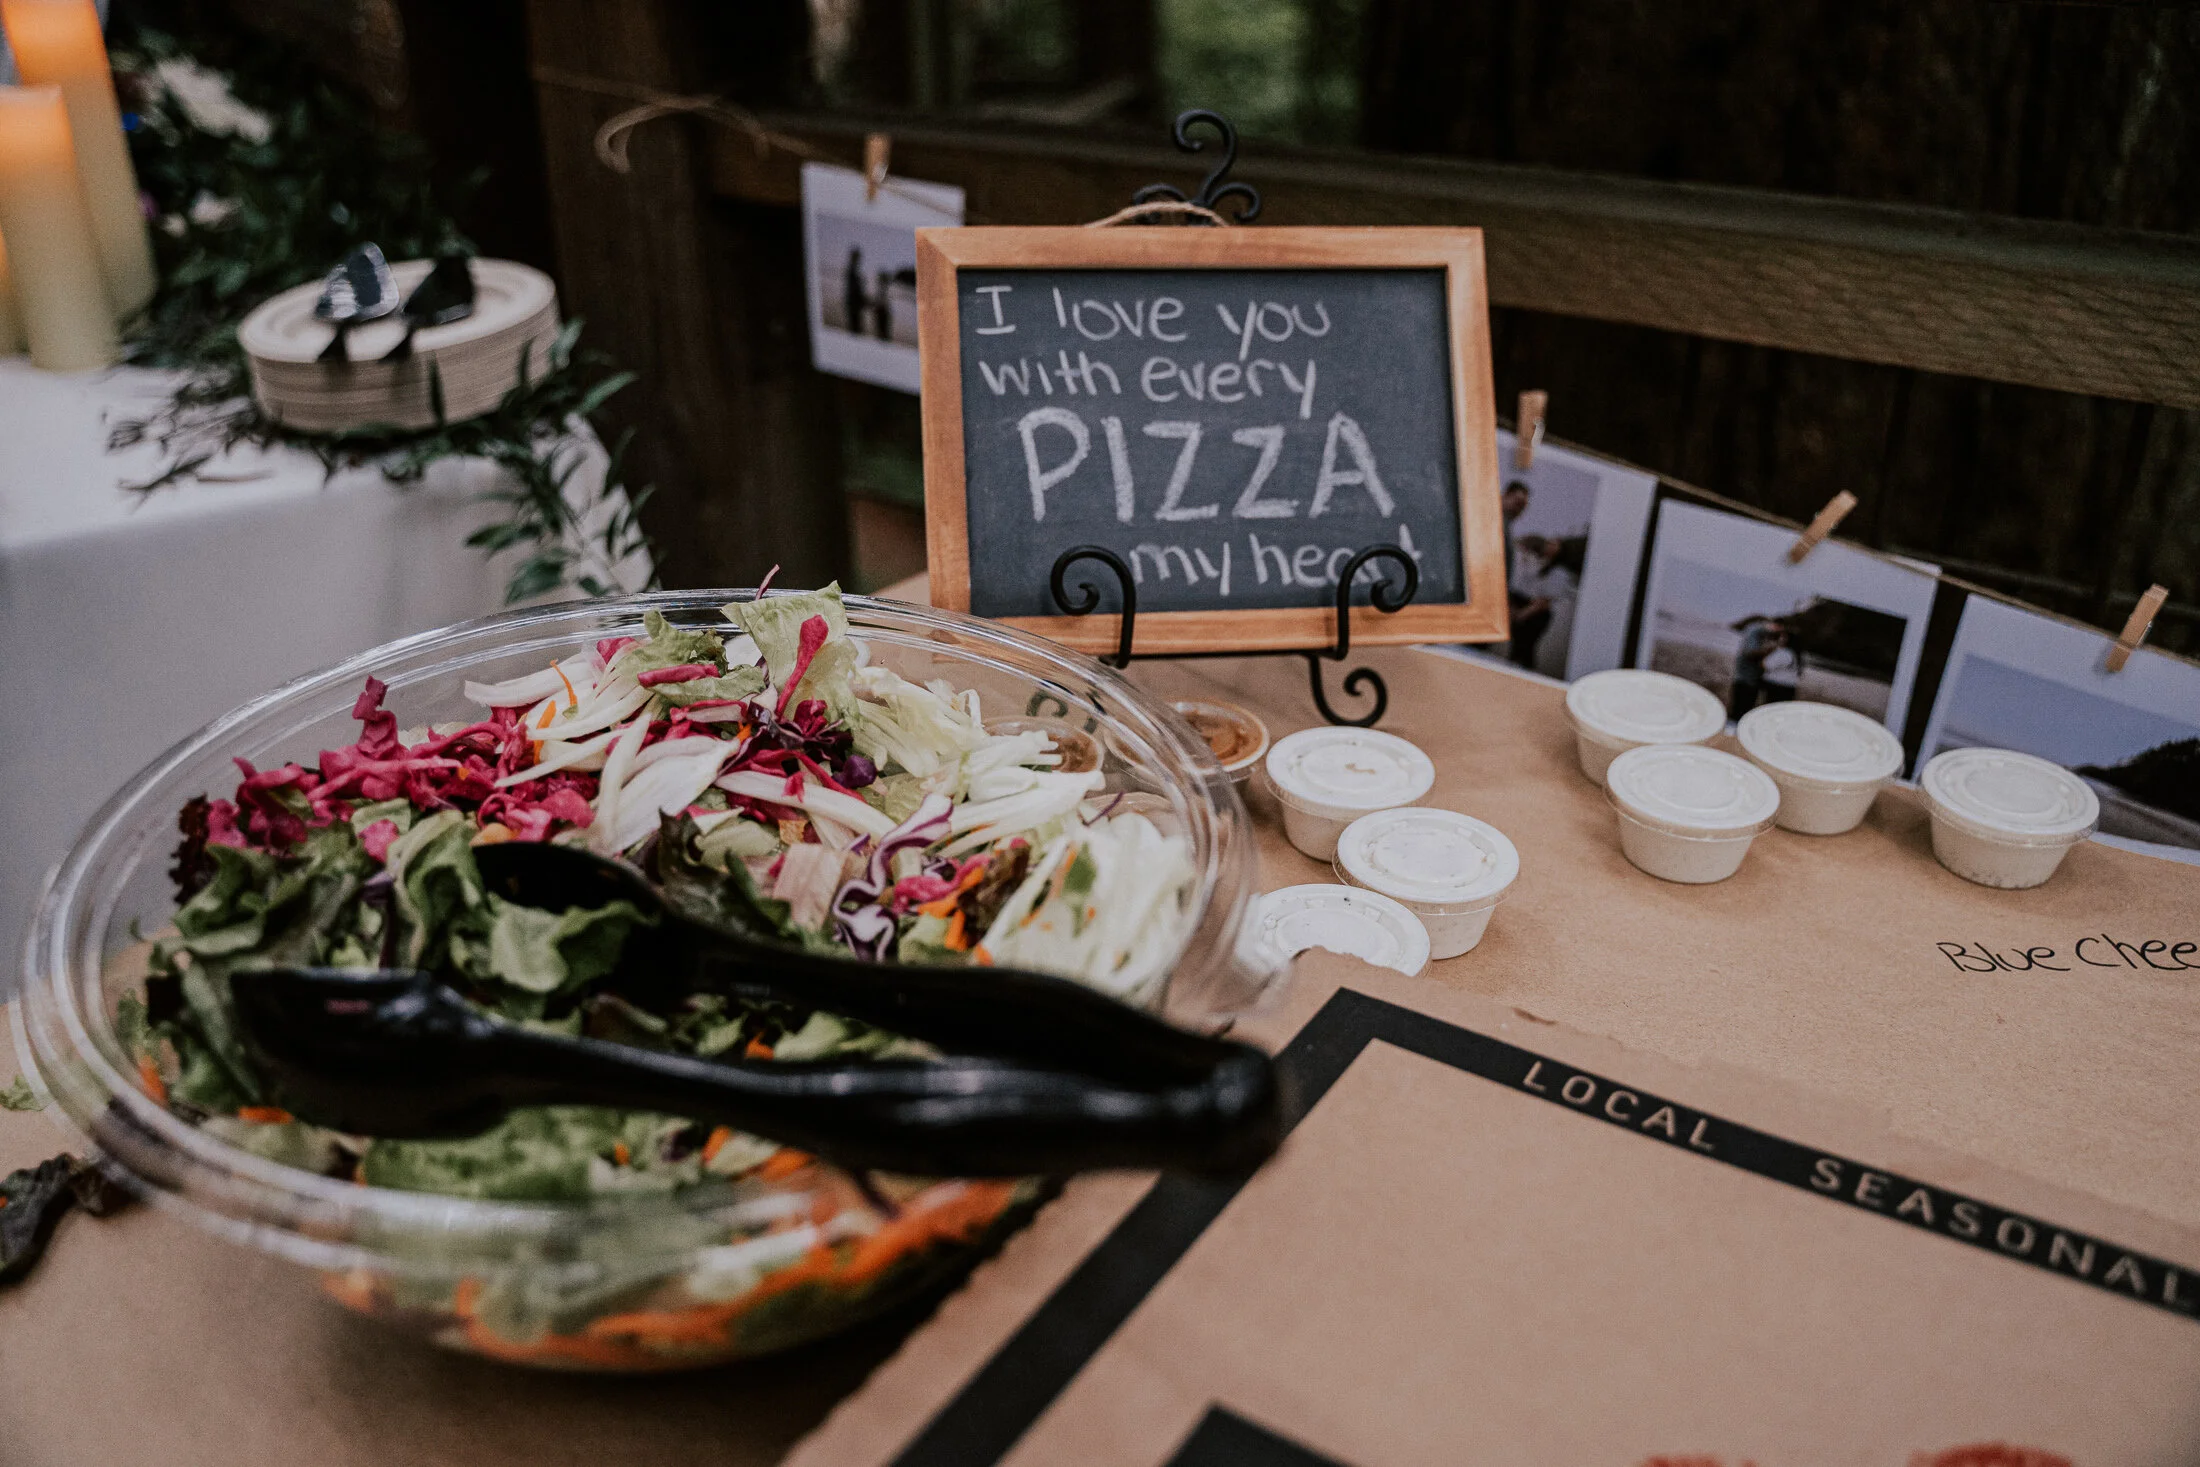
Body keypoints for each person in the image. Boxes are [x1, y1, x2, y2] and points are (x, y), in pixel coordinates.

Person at [1500, 480, 1552, 669]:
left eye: (1523, 507)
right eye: (1517, 503)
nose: (1519, 510)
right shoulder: (1496, 523)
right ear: (1505, 496)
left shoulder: (1506, 527)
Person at [1728, 615, 1786, 720]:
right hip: (1746, 678)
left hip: (1749, 677)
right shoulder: (1757, 631)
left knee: (1742, 708)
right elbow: (1750, 653)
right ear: (1777, 626)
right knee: (1741, 709)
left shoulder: (1758, 631)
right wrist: (1771, 649)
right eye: (1779, 630)